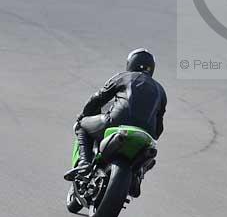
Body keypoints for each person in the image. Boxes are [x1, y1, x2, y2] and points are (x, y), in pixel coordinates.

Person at [64, 48, 167, 197]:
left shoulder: (124, 76)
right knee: (149, 154)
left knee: (82, 126)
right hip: (146, 133)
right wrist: (151, 136)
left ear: (131, 63)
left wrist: (83, 115)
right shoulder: (161, 90)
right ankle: (137, 175)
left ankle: (84, 164)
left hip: (115, 123)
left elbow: (98, 98)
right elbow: (159, 126)